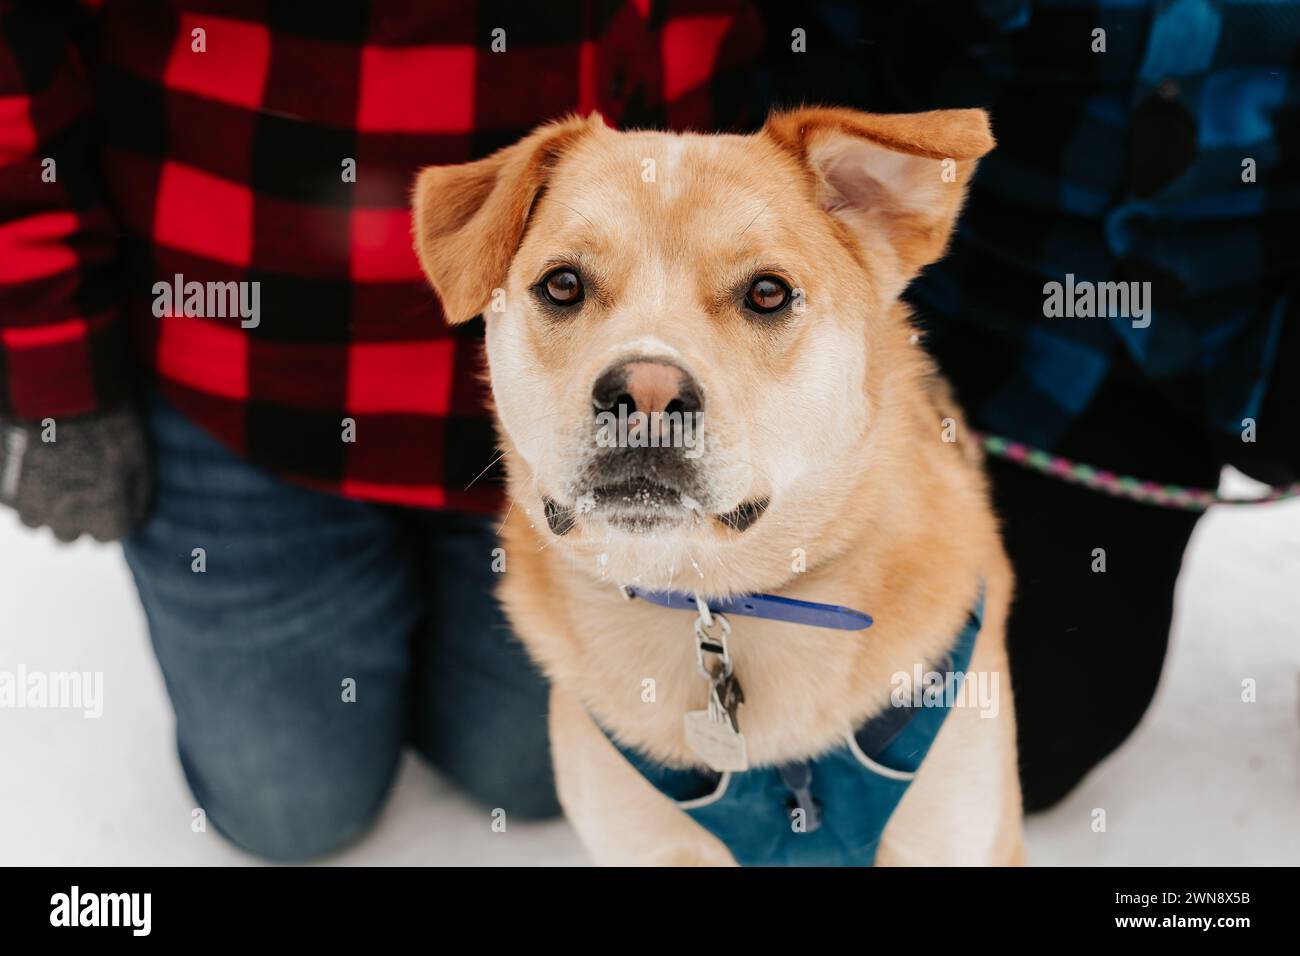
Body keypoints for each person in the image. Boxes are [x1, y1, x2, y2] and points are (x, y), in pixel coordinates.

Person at [1, 1, 1294, 859]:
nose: (652, 380)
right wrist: (51, 358)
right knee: (287, 807)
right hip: (249, 356)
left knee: (518, 769)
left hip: (586, 408)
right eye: (567, 289)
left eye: (766, 298)